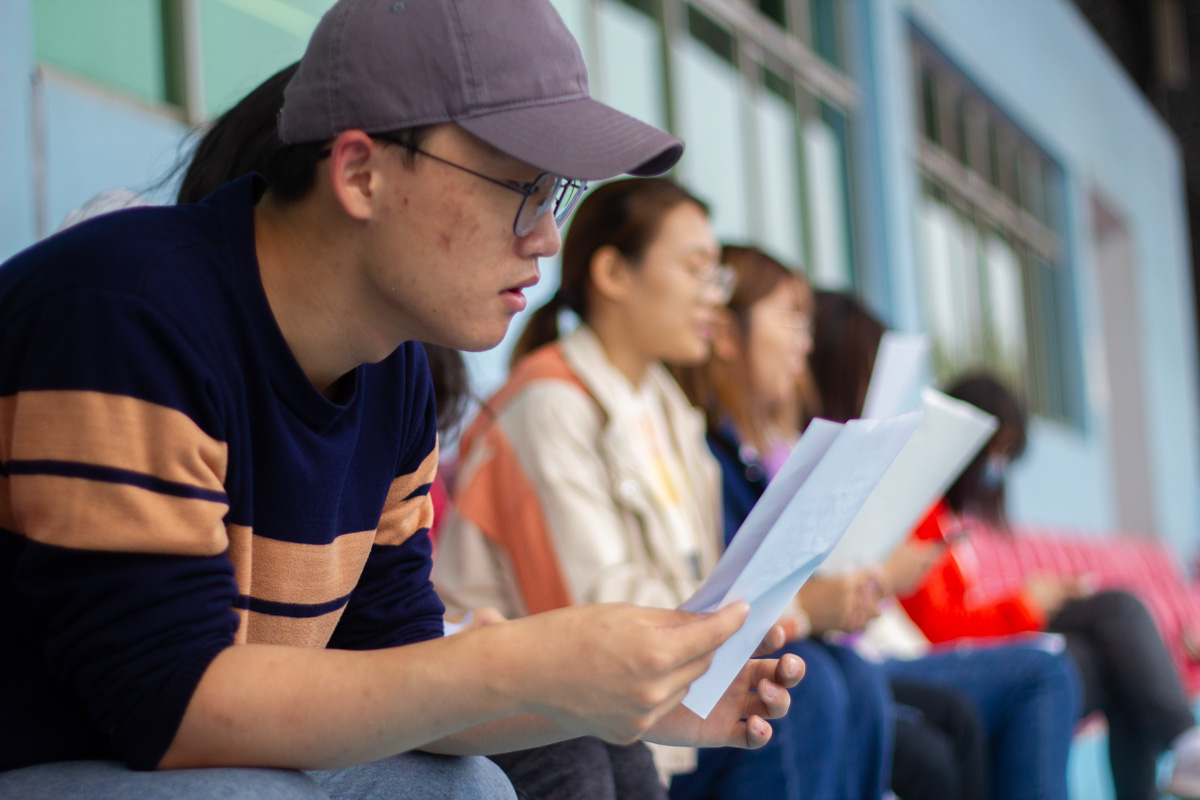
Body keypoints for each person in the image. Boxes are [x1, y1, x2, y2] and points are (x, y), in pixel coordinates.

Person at [0, 2, 802, 798]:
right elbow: (163, 703)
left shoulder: (392, 367)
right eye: (520, 186)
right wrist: (523, 662)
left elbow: (389, 664)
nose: (547, 238)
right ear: (359, 173)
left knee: (468, 787)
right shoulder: (126, 310)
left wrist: (623, 690)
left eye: (555, 193)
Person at [433, 179, 876, 800]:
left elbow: (703, 580)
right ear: (614, 273)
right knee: (812, 696)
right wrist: (789, 613)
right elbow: (597, 611)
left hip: (651, 700)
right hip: (563, 714)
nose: (712, 298)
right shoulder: (546, 407)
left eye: (719, 279)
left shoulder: (667, 407)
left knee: (831, 681)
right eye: (696, 270)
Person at [799, 289, 1083, 800]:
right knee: (1045, 675)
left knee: (1094, 642)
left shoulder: (930, 508)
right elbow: (936, 625)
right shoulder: (901, 497)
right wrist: (1022, 605)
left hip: (864, 654)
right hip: (863, 657)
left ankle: (1173, 734)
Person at [900, 373, 1200, 800]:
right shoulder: (916, 515)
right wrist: (1026, 605)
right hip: (954, 665)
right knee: (1114, 625)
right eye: (996, 455)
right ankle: (1184, 745)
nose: (997, 473)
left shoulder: (947, 522)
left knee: (1117, 628)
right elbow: (942, 632)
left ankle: (1182, 751)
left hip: (979, 651)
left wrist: (1032, 600)